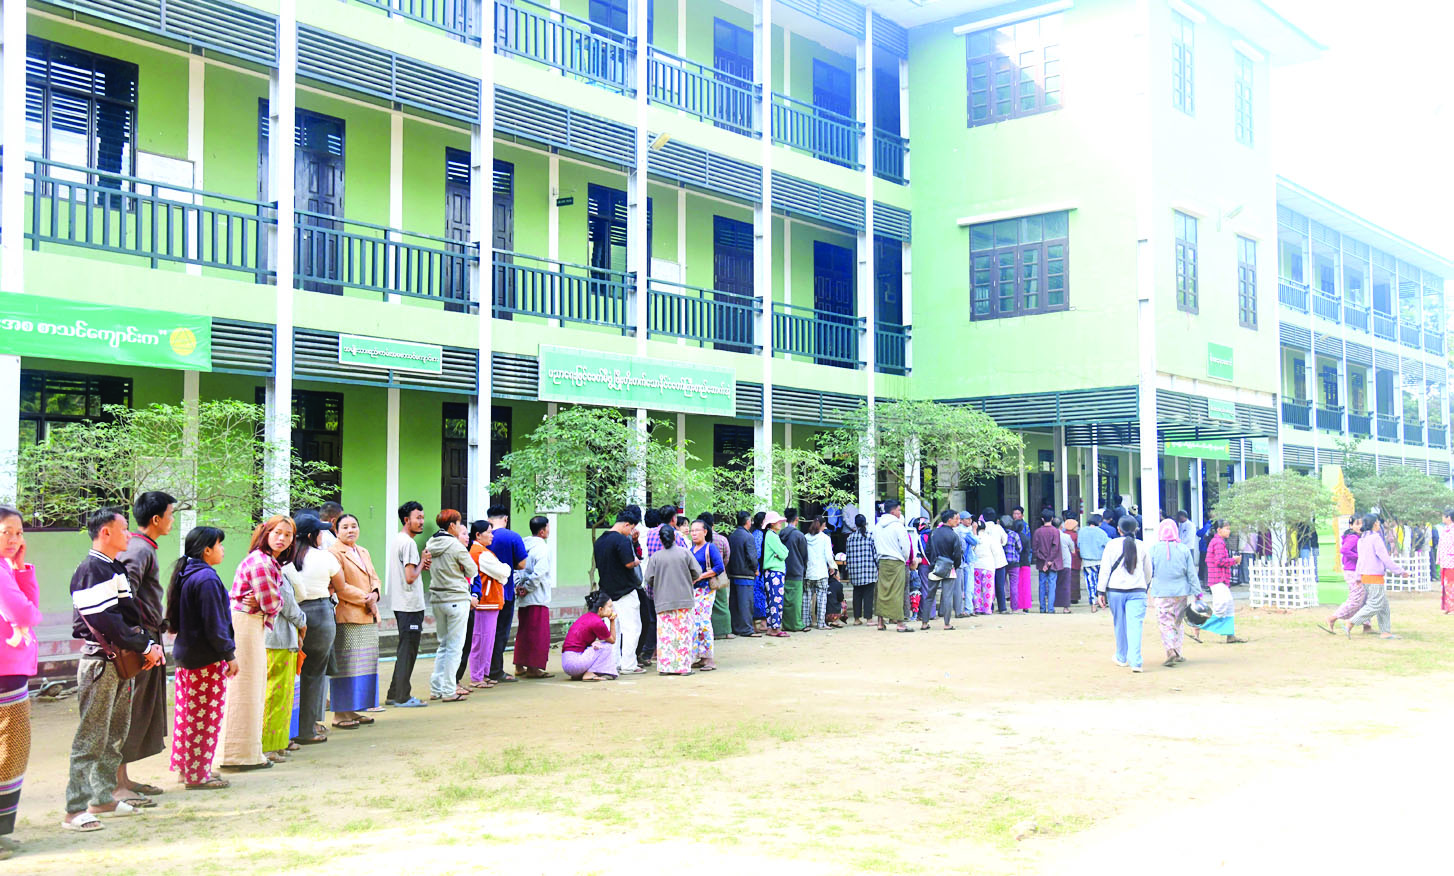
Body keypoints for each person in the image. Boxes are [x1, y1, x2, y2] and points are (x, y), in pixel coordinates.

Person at [217, 515, 292, 774]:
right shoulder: (261, 562)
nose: (282, 538)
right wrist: (268, 603)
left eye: (288, 535)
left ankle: (244, 752)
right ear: (265, 533)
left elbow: (269, 601)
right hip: (246, 625)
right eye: (277, 532)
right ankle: (238, 754)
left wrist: (266, 602)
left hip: (252, 623)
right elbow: (273, 603)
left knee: (251, 687)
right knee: (245, 688)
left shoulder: (267, 561)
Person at [114, 491, 175, 802]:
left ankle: (123, 778)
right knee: (129, 709)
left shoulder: (144, 546)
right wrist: (141, 640)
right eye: (170, 515)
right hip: (139, 642)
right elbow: (125, 595)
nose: (172, 520)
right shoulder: (138, 549)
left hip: (148, 636)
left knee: (137, 708)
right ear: (156, 519)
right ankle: (115, 784)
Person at [165, 526, 236, 791]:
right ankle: (197, 774)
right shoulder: (206, 579)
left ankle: (189, 768)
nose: (223, 549)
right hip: (204, 659)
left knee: (188, 716)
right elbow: (214, 624)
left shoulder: (187, 573)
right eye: (219, 545)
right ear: (207, 550)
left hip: (187, 655)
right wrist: (229, 654)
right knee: (204, 718)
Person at [0, 506, 42, 849]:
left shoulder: (5, 569)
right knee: (9, 749)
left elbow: (29, 605)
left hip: (10, 668)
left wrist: (21, 568)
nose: (15, 539)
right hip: (5, 672)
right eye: (7, 532)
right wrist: (31, 613)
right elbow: (25, 612)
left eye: (19, 533)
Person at [282, 516, 340, 742]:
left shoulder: (283, 558)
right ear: (311, 535)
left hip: (289, 615)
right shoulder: (324, 556)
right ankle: (308, 729)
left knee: (289, 674)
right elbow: (341, 584)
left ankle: (285, 730)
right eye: (320, 532)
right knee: (314, 674)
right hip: (320, 615)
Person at [423, 510, 476, 701]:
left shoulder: (430, 543)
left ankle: (436, 688)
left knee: (444, 645)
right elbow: (472, 570)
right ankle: (448, 690)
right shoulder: (455, 546)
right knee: (455, 647)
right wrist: (459, 568)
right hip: (456, 598)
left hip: (437, 599)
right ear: (452, 525)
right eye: (459, 523)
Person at [263, 537, 307, 763]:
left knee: (284, 695)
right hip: (277, 640)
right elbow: (288, 604)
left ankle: (278, 743)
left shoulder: (278, 568)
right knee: (275, 695)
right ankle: (268, 746)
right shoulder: (271, 569)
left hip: (283, 639)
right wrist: (302, 621)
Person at [385, 501, 430, 708]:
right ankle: (402, 696)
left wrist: (420, 565)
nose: (421, 522)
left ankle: (394, 693)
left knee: (405, 648)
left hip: (400, 603)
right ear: (406, 520)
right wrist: (422, 562)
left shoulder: (398, 539)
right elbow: (410, 577)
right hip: (409, 604)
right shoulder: (409, 544)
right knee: (408, 651)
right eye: (417, 518)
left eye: (422, 517)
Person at [644, 524, 704, 674]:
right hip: (684, 600)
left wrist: (660, 583)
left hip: (663, 601)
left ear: (661, 539)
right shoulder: (685, 553)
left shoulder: (656, 557)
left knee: (666, 636)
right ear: (675, 537)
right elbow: (697, 572)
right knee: (683, 635)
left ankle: (666, 667)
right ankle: (683, 667)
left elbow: (649, 578)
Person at [595, 507, 646, 673]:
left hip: (607, 592)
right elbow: (629, 563)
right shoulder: (621, 540)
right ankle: (629, 664)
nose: (631, 532)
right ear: (626, 524)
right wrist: (637, 561)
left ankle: (614, 662)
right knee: (632, 628)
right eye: (631, 528)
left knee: (612, 629)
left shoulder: (600, 541)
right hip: (625, 591)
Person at [1098, 516, 1149, 672]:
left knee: (1119, 624)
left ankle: (1121, 657)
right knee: (1135, 626)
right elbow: (1148, 571)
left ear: (1118, 529)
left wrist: (1101, 591)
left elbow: (1105, 569)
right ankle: (1136, 662)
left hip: (1115, 591)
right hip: (1137, 590)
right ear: (1136, 529)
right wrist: (1145, 586)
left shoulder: (1111, 545)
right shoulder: (1142, 546)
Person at [484, 506, 529, 684]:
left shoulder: (480, 536)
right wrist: (509, 564)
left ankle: (482, 669)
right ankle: (495, 670)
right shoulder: (513, 537)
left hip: (482, 593)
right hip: (504, 592)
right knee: (500, 632)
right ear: (506, 519)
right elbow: (523, 564)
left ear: (489, 519)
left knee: (483, 633)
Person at [1148, 518, 1199, 668]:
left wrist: (1144, 588)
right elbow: (1191, 573)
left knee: (1165, 622)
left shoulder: (1154, 550)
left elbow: (1149, 572)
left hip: (1161, 593)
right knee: (1177, 622)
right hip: (1181, 593)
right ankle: (1178, 652)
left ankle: (1170, 650)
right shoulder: (1183, 549)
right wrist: (1198, 593)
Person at [1347, 514, 1404, 640]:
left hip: (1365, 577)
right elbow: (1385, 558)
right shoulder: (1375, 538)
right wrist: (1400, 571)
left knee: (1383, 605)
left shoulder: (1362, 539)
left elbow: (1360, 561)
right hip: (1374, 577)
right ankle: (1351, 622)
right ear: (1374, 524)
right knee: (1375, 605)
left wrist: (1358, 576)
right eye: (1378, 522)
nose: (1379, 524)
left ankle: (1385, 632)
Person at [466, 520, 509, 688]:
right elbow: (503, 571)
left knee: (487, 641)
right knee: (481, 640)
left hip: (489, 602)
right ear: (478, 535)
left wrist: (503, 572)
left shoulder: (482, 552)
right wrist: (504, 570)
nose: (492, 536)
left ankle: (483, 673)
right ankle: (477, 676)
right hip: (485, 602)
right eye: (489, 532)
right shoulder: (481, 553)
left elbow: (502, 573)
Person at [1191, 520, 1247, 645]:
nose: (1229, 531)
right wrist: (1234, 560)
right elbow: (1219, 561)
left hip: (1219, 578)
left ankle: (1230, 635)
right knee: (1221, 607)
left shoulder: (1218, 541)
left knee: (1229, 605)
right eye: (1226, 528)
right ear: (1219, 530)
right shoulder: (1218, 542)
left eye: (1229, 528)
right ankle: (1198, 625)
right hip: (1217, 579)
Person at [514, 516, 554, 679]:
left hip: (523, 597)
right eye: (548, 527)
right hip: (537, 596)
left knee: (524, 631)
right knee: (538, 634)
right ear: (542, 531)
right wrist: (528, 587)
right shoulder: (542, 548)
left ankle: (519, 665)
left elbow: (516, 568)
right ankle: (533, 667)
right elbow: (539, 573)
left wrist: (518, 586)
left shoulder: (522, 545)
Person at [1325, 516, 1371, 634]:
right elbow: (1344, 550)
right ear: (1351, 525)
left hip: (1358, 570)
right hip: (1353, 571)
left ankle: (1366, 625)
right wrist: (1359, 557)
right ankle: (1333, 618)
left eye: (1361, 524)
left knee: (1364, 598)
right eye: (1357, 524)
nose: (1360, 526)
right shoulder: (1353, 537)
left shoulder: (1360, 537)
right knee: (1355, 599)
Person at [873, 501, 914, 633]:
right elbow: (906, 547)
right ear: (893, 511)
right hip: (897, 562)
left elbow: (875, 544)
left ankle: (880, 622)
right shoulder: (898, 526)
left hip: (882, 561)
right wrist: (905, 559)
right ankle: (900, 623)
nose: (900, 513)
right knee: (897, 592)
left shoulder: (877, 526)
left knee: (882, 592)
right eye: (899, 510)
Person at [688, 520, 722, 671]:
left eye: (697, 530)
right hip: (694, 590)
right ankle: (701, 657)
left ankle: (709, 658)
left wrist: (701, 576)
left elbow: (719, 567)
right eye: (692, 531)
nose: (694, 533)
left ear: (705, 532)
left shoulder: (710, 547)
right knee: (695, 623)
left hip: (706, 590)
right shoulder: (691, 550)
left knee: (704, 622)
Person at [561, 592, 617, 682]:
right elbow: (612, 640)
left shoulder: (586, 617)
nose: (612, 610)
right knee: (607, 646)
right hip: (574, 663)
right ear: (601, 609)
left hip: (567, 663)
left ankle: (580, 674)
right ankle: (590, 673)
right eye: (610, 607)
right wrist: (612, 621)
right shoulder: (597, 622)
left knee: (597, 645)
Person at [923, 509, 964, 630]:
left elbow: (927, 550)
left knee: (929, 596)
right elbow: (957, 555)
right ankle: (947, 624)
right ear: (949, 520)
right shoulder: (954, 535)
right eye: (956, 519)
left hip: (935, 567)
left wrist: (933, 562)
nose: (958, 521)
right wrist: (955, 565)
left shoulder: (933, 533)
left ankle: (924, 623)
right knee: (947, 596)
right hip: (949, 567)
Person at [700, 513, 733, 639]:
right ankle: (725, 631)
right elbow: (727, 557)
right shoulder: (722, 539)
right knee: (722, 603)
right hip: (719, 575)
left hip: (703, 575)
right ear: (713, 525)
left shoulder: (697, 540)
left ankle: (708, 631)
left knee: (705, 605)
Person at [844, 514, 878, 625]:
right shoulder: (870, 536)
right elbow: (875, 554)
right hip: (869, 571)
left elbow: (848, 556)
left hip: (855, 572)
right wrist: (878, 566)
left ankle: (856, 619)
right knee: (868, 595)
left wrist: (848, 569)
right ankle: (869, 619)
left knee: (857, 594)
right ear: (865, 523)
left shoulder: (850, 538)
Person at [803, 517, 836, 631]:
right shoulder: (825, 538)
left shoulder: (805, 537)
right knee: (822, 598)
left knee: (806, 598)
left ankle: (805, 622)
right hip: (821, 572)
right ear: (823, 525)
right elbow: (828, 555)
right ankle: (821, 623)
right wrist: (832, 566)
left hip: (809, 572)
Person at [760, 512, 789, 637]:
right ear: (772, 523)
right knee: (776, 600)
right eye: (778, 522)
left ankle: (771, 626)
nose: (780, 523)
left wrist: (781, 553)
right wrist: (780, 554)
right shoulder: (772, 536)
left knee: (771, 600)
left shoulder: (771, 535)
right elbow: (784, 553)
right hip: (775, 572)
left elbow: (784, 552)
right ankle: (775, 628)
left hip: (771, 572)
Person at [780, 508, 809, 633]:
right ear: (796, 519)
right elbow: (804, 555)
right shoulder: (799, 535)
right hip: (796, 569)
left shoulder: (780, 534)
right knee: (796, 600)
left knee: (785, 599)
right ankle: (796, 624)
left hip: (783, 569)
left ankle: (786, 623)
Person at [1032, 512, 1063, 614]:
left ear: (1042, 519)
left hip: (1041, 563)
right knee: (1052, 585)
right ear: (1052, 518)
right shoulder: (1055, 531)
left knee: (1042, 585)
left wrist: (1044, 561)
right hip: (1053, 562)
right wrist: (1049, 561)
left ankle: (1042, 608)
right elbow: (1055, 547)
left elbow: (1035, 549)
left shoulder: (1037, 532)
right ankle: (1050, 608)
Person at [1078, 514, 1110, 611]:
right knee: (1102, 582)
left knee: (1091, 583)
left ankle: (1093, 605)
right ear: (1099, 522)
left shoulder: (1082, 531)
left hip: (1087, 561)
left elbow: (1078, 544)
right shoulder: (1101, 532)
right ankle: (1103, 601)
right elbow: (1108, 544)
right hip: (1100, 561)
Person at [1009, 507, 1034, 612]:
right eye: (1014, 513)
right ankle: (1025, 605)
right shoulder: (1024, 537)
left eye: (1018, 513)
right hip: (1024, 561)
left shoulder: (1012, 535)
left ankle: (1016, 605)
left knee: (1016, 584)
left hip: (1016, 562)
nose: (1015, 515)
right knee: (1025, 585)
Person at [1055, 518, 1075, 613]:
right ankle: (1065, 607)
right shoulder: (1066, 537)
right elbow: (1072, 549)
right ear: (1061, 526)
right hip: (1065, 562)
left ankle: (1051, 606)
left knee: (1052, 584)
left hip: (1053, 562)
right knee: (1065, 584)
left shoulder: (1051, 535)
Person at [1438, 509, 1454, 615]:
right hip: (1444, 561)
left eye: (1444, 516)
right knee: (1445, 584)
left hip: (1451, 562)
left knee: (1451, 584)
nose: (1442, 518)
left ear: (1449, 517)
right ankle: (1448, 606)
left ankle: (1452, 606)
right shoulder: (1445, 530)